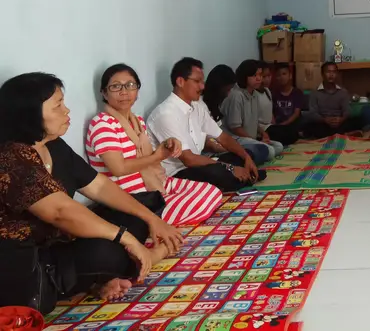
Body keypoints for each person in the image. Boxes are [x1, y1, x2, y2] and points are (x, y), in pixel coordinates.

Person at [0, 73, 183, 311]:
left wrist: (151, 219)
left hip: (59, 242)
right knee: (107, 250)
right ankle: (144, 259)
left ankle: (100, 278)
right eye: (58, 106)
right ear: (30, 115)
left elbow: (99, 185)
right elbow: (60, 212)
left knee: (140, 208)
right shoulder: (11, 157)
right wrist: (126, 238)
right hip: (28, 261)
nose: (67, 111)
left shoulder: (53, 145)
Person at [86, 64, 223, 227]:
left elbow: (150, 158)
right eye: (116, 86)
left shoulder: (137, 121)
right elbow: (118, 169)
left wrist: (168, 145)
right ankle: (150, 221)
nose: (124, 92)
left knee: (212, 192)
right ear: (104, 93)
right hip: (131, 198)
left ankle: (159, 215)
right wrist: (157, 156)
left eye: (130, 85)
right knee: (203, 202)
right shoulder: (102, 124)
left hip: (155, 183)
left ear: (137, 91)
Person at [147, 58, 264, 193]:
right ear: (180, 82)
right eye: (197, 81)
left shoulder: (197, 107)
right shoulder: (165, 114)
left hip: (198, 165)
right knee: (217, 172)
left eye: (202, 82)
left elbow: (223, 137)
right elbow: (189, 159)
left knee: (244, 155)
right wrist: (230, 168)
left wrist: (246, 157)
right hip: (178, 173)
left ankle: (240, 177)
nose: (202, 87)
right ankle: (241, 178)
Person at [220, 59, 284, 159]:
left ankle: (254, 152)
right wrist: (254, 141)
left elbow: (254, 121)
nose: (259, 78)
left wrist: (263, 133)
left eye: (260, 75)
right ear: (244, 76)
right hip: (236, 139)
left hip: (250, 138)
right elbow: (236, 128)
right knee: (270, 151)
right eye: (254, 75)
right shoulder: (236, 95)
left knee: (278, 146)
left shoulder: (255, 94)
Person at [305, 62, 362, 138]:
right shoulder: (315, 93)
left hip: (339, 122)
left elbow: (347, 110)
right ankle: (343, 134)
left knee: (358, 120)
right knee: (309, 124)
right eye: (328, 72)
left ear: (337, 74)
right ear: (322, 74)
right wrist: (325, 120)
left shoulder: (343, 92)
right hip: (323, 123)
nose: (331, 75)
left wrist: (341, 119)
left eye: (334, 72)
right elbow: (313, 113)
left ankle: (340, 134)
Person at [257, 63, 299, 146]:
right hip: (261, 128)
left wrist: (275, 125)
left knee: (292, 132)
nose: (267, 79)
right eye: (264, 76)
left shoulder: (267, 91)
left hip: (270, 126)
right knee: (289, 135)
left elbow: (270, 112)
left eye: (269, 76)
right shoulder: (254, 94)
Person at [272, 63, 304, 136]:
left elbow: (296, 113)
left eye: (284, 74)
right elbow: (271, 113)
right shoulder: (273, 93)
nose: (282, 77)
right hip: (278, 126)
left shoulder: (297, 92)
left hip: (293, 126)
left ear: (290, 76)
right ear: (276, 78)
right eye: (278, 75)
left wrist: (284, 124)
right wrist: (275, 126)